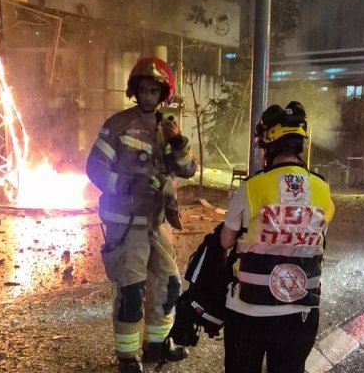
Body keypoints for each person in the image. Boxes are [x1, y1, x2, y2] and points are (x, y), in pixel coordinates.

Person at [86, 56, 197, 373]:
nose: (148, 96)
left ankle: (157, 346)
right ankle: (127, 357)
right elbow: (94, 168)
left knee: (167, 286)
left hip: (158, 223)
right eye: (143, 90)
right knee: (132, 290)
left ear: (164, 94)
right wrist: (129, 185)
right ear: (134, 91)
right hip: (126, 223)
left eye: (154, 91)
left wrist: (177, 142)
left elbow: (188, 170)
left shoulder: (168, 128)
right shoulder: (118, 124)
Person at [220, 101, 335, 373]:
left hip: (250, 310)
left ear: (267, 147)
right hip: (300, 312)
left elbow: (225, 242)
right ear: (300, 145)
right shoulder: (321, 189)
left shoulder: (252, 187)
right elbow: (318, 239)